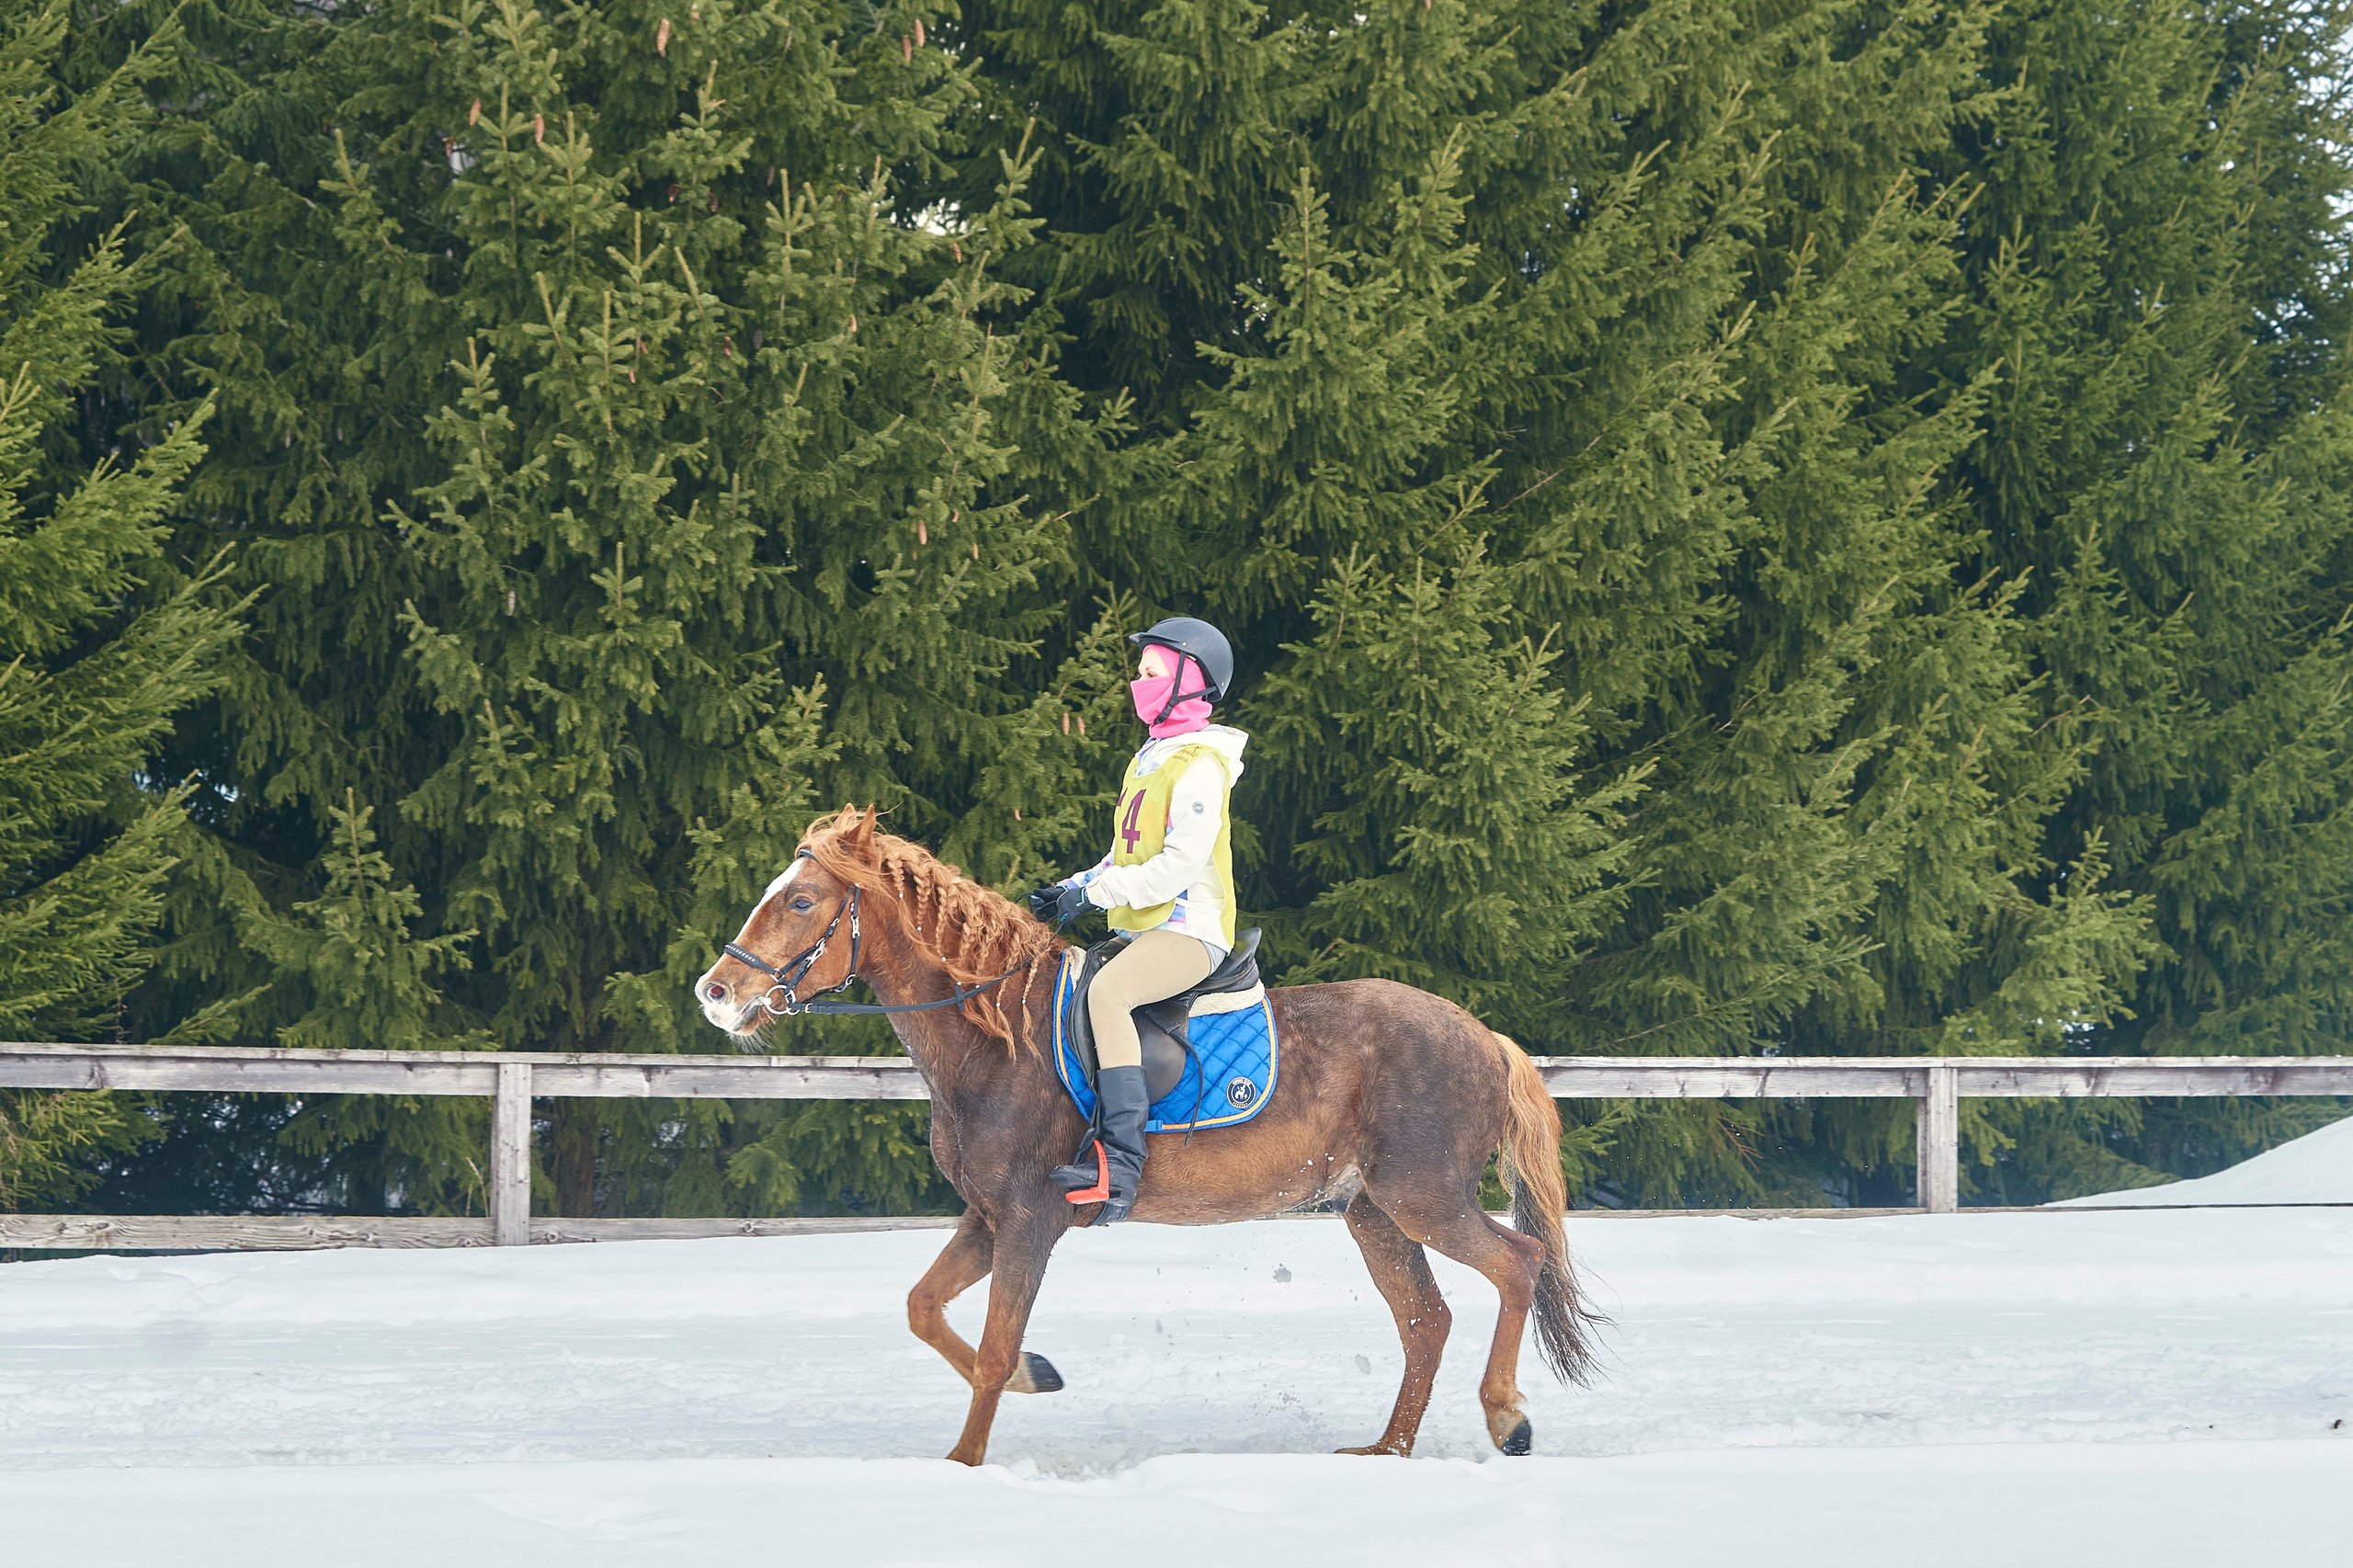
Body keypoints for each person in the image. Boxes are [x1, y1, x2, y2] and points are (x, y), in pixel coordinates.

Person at [1028, 617, 1246, 1222]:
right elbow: (1127, 855)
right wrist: (1072, 887)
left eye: (1151, 674)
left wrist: (1097, 897)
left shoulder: (1201, 764)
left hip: (1190, 930)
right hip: (1147, 929)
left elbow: (1176, 868)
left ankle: (1121, 1164)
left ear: (1187, 680)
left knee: (1109, 995)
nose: (1139, 684)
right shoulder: (1152, 759)